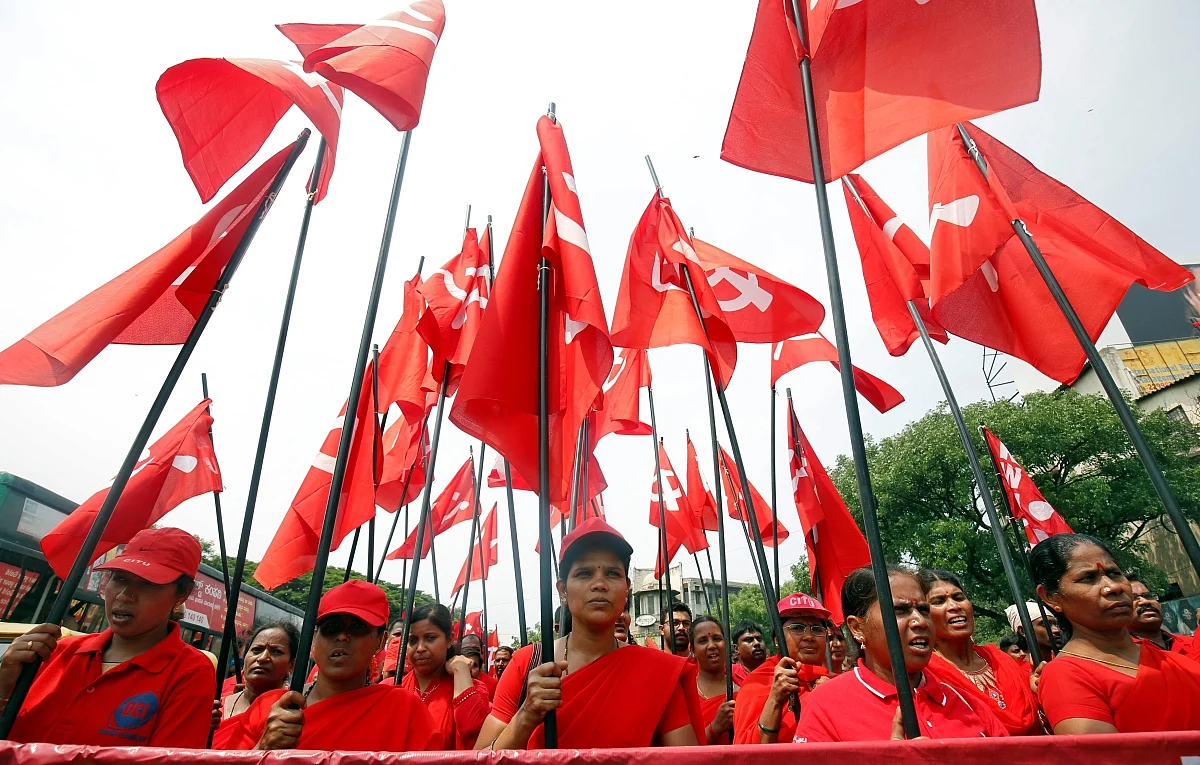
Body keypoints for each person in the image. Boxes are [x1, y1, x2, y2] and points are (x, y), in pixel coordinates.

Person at [475, 517, 703, 749]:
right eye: (584, 573)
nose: (599, 583)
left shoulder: (658, 673)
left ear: (627, 589)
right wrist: (525, 717)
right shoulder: (528, 663)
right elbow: (478, 759)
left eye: (612, 573)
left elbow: (686, 758)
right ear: (563, 590)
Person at [2, 528, 216, 748]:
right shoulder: (53, 651)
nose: (125, 595)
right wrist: (5, 680)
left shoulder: (190, 671)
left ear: (182, 594)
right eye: (120, 579)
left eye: (148, 584)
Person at [214, 580, 441, 751]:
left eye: (357, 627)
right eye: (331, 626)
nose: (342, 636)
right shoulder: (270, 707)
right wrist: (261, 749)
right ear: (315, 638)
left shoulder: (404, 710)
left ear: (380, 641)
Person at [794, 565, 1008, 742]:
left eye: (924, 610)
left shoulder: (964, 702)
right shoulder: (826, 705)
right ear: (858, 628)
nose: (920, 622)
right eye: (900, 611)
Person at [1032, 533, 1200, 734]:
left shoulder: (1177, 662)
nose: (1113, 587)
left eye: (1114, 573)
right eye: (1088, 578)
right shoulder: (1065, 676)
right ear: (1051, 597)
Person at [919, 569, 1042, 736]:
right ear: (923, 615)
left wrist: (1038, 694)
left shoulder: (1002, 660)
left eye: (959, 597)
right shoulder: (925, 676)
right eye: (939, 601)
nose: (954, 606)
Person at [734, 593, 831, 744]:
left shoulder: (836, 683)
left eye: (817, 629)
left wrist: (831, 697)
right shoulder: (757, 683)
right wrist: (775, 699)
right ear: (777, 640)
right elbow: (746, 753)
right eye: (798, 628)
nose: (809, 636)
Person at [400, 603, 491, 749]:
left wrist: (460, 670)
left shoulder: (473, 687)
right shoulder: (393, 687)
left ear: (449, 640)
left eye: (430, 638)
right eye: (413, 640)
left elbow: (472, 729)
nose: (420, 648)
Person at [221, 622, 299, 721]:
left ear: (291, 665)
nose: (262, 658)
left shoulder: (290, 714)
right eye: (256, 650)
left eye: (277, 651)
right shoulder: (217, 706)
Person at [691, 616, 736, 744]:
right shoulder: (683, 696)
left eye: (717, 639)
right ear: (692, 651)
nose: (711, 645)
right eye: (703, 641)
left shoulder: (743, 690)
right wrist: (715, 728)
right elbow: (679, 751)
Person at [1127, 573, 1194, 657]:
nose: (1145, 601)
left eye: (1148, 596)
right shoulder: (1123, 659)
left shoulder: (1193, 644)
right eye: (1133, 598)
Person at [731, 621, 766, 686]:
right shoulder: (729, 674)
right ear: (736, 648)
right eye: (749, 640)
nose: (757, 643)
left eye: (759, 639)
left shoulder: (778, 669)